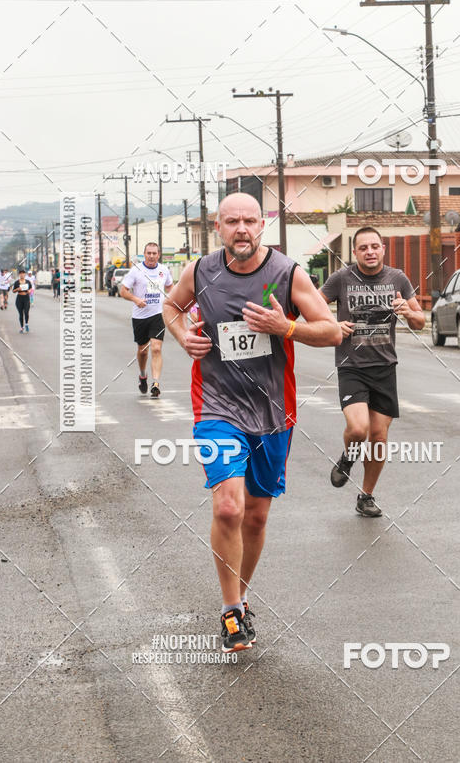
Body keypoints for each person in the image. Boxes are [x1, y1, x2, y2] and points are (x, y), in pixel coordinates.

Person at [163, 193, 341, 653]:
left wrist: (287, 329)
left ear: (262, 225)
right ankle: (230, 612)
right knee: (228, 506)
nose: (241, 229)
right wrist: (184, 337)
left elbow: (331, 330)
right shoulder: (201, 272)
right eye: (231, 222)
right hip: (216, 406)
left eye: (249, 221)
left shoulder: (287, 274)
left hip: (271, 412)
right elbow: (171, 307)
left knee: (257, 517)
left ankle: (240, 598)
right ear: (217, 227)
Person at [320, 227, 425, 517]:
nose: (370, 251)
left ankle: (366, 496)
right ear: (355, 252)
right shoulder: (341, 278)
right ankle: (348, 457)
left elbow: (420, 322)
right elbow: (312, 304)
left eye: (374, 246)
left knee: (378, 439)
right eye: (363, 247)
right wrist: (331, 326)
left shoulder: (397, 278)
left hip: (384, 367)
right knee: (358, 429)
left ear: (383, 249)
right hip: (351, 367)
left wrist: (408, 310)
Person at [120, 243, 174, 397]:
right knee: (142, 351)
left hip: (157, 315)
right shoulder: (136, 271)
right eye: (148, 253)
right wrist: (135, 299)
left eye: (154, 253)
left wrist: (173, 299)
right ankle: (143, 375)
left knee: (156, 348)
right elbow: (123, 291)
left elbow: (170, 287)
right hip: (140, 316)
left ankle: (155, 383)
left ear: (159, 254)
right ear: (144, 254)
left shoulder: (164, 270)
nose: (151, 256)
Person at [12, 268, 32, 332]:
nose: (22, 275)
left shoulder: (28, 282)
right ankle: (22, 327)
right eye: (20, 274)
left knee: (26, 312)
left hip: (26, 297)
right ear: (19, 275)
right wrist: (18, 289)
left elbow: (31, 288)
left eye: (23, 274)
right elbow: (13, 291)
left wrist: (29, 291)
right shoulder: (16, 282)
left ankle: (26, 324)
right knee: (21, 314)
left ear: (25, 274)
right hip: (19, 298)